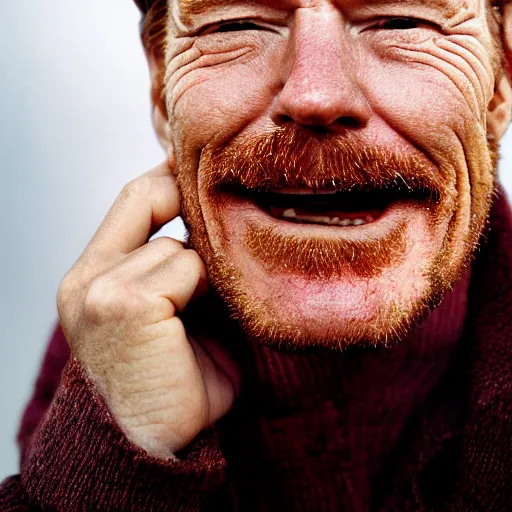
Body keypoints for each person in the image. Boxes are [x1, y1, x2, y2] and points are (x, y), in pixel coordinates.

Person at [2, 0, 512, 510]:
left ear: (499, 83)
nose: (315, 96)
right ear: (161, 91)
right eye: (236, 23)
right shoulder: (101, 400)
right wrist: (110, 459)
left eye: (403, 21)